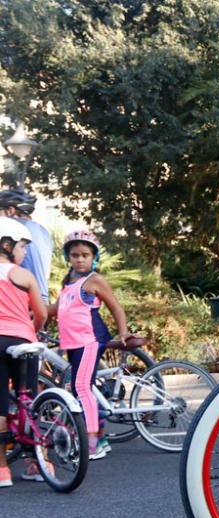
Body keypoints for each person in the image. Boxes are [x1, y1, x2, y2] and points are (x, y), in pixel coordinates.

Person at [49, 230, 130, 460]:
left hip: (89, 340)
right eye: (75, 255)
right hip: (73, 343)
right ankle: (100, 439)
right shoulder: (69, 282)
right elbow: (54, 310)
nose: (80, 259)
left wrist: (123, 332)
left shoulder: (94, 280)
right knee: (83, 389)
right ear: (68, 257)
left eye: (85, 254)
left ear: (94, 257)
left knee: (81, 389)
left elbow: (115, 307)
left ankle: (94, 443)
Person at [0, 218, 49, 486]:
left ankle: (2, 471)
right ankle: (39, 463)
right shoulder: (24, 275)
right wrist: (32, 329)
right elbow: (40, 314)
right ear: (7, 245)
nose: (25, 252)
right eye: (22, 246)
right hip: (24, 339)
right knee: (29, 399)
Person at [0, 190, 53, 303]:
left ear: (10, 211)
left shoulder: (18, 232)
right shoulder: (40, 230)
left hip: (23, 305)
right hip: (34, 302)